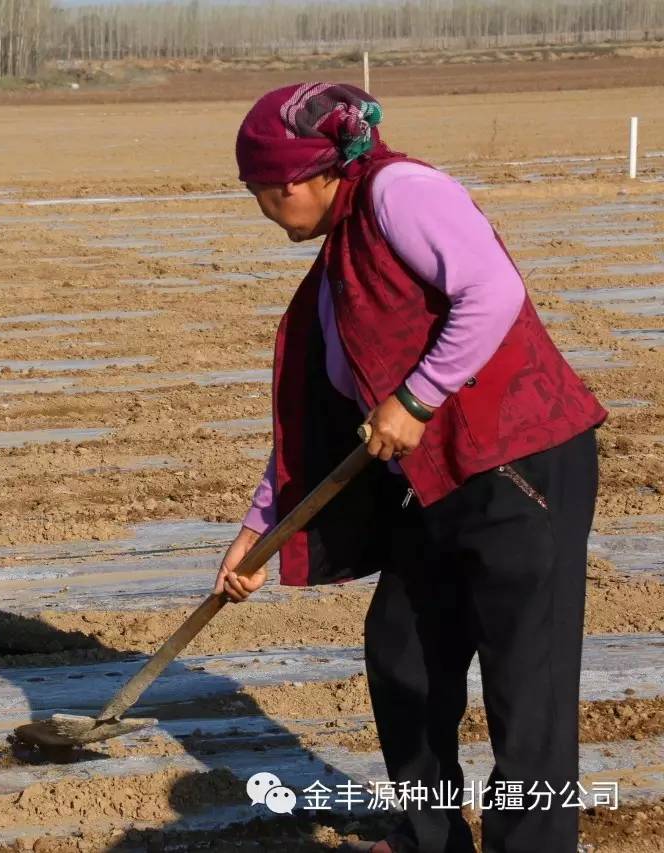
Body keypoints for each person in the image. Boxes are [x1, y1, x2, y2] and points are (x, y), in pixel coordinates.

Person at [214, 83, 605, 852]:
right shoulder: (337, 264)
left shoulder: (403, 192)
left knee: (528, 693)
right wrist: (258, 527)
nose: (260, 207)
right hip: (436, 485)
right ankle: (432, 840)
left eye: (256, 192)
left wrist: (416, 399)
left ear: (292, 180)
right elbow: (318, 422)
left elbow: (492, 291)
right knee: (403, 656)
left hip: (520, 466)